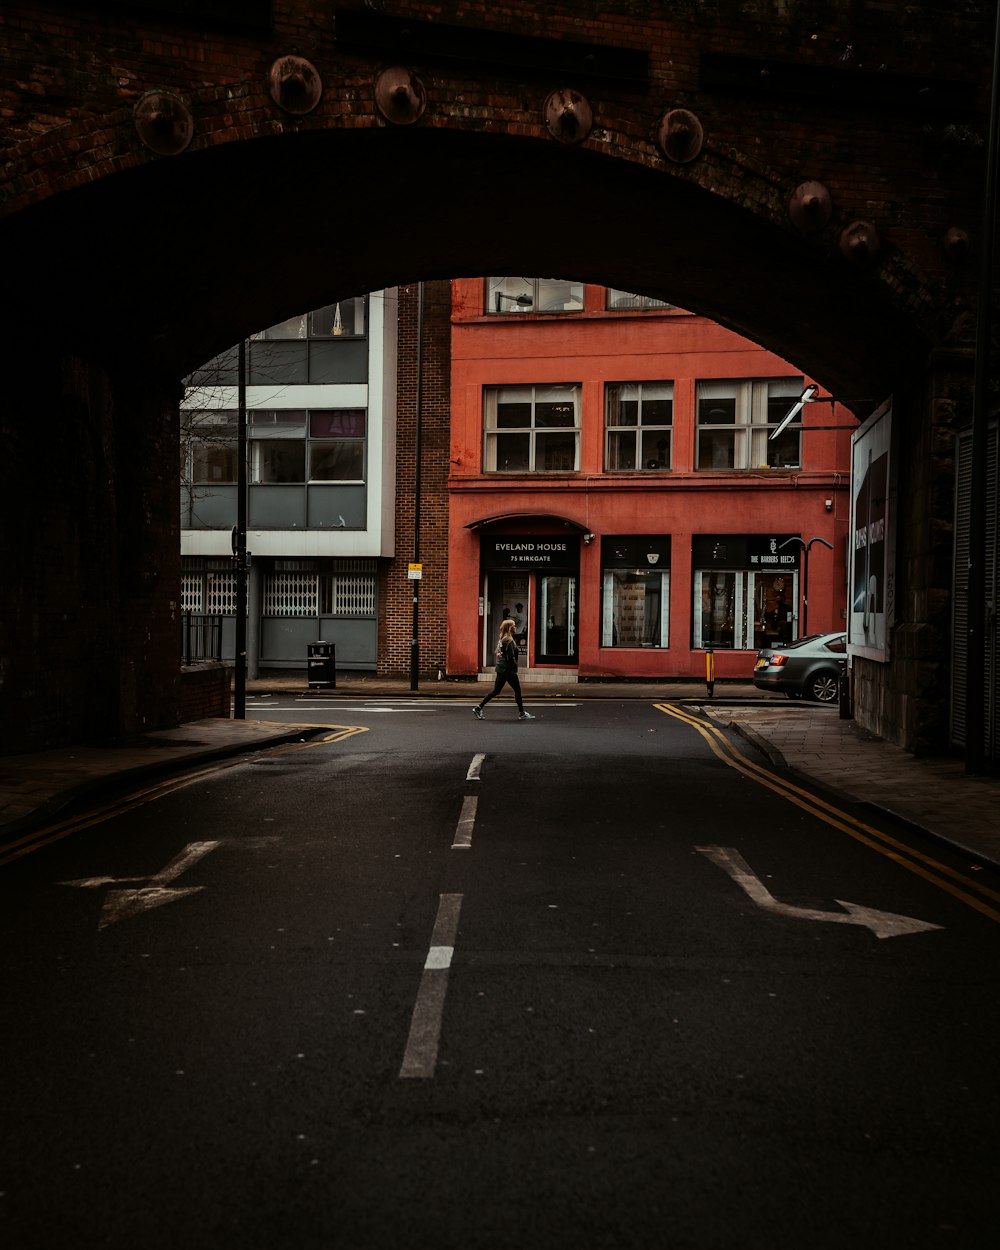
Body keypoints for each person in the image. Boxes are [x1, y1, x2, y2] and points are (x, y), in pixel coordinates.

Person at [473, 618, 534, 721]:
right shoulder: (509, 640)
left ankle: (478, 708)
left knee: (496, 691)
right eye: (514, 626)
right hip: (508, 670)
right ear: (510, 628)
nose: (515, 627)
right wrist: (515, 668)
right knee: (517, 690)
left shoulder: (503, 639)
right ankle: (522, 713)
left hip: (501, 668)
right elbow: (511, 658)